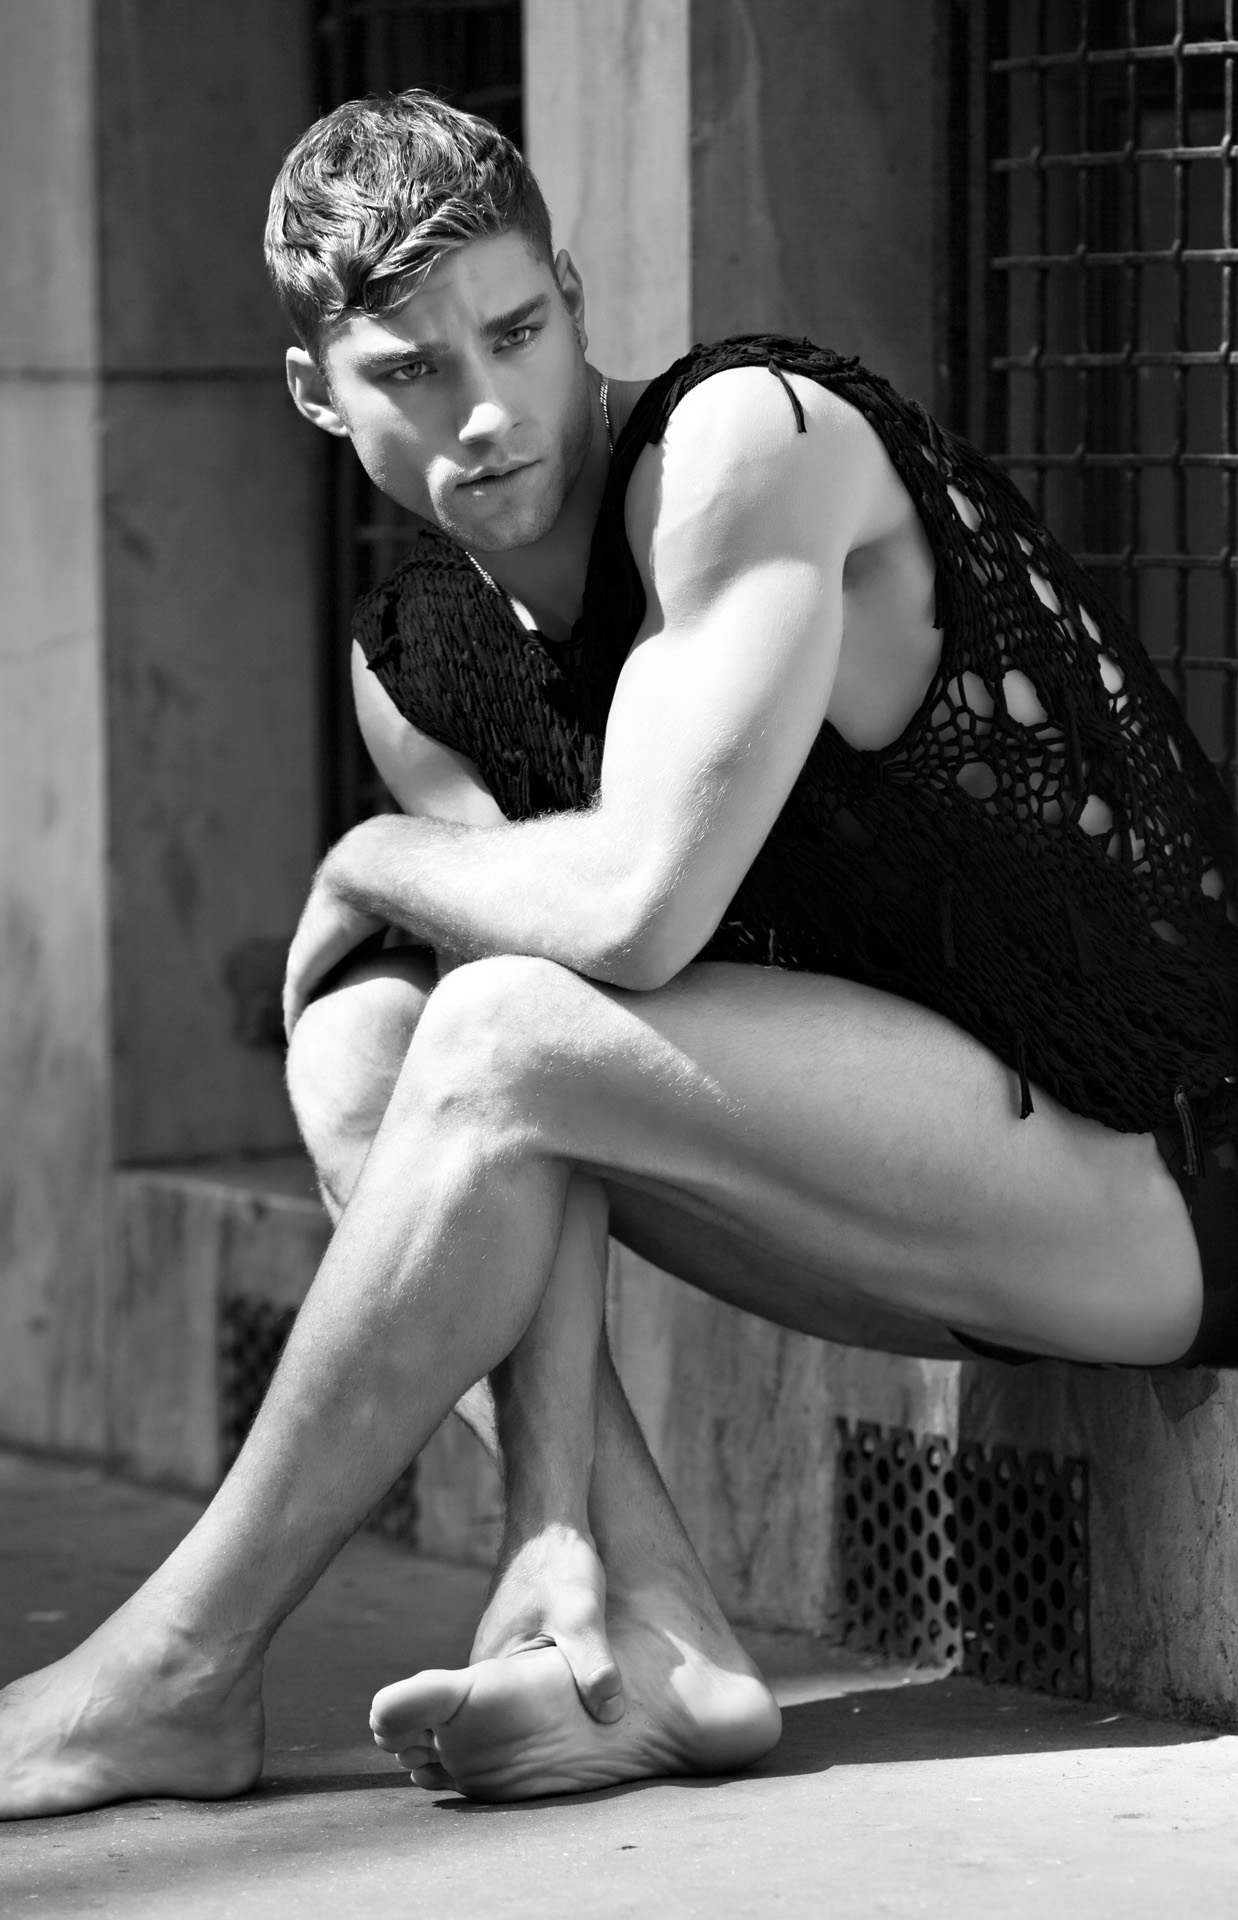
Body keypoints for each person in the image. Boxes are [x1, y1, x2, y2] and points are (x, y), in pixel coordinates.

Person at [2, 88, 1235, 1821]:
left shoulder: (746, 444)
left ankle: (177, 1667)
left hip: (1152, 1178)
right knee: (369, 1042)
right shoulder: (421, 659)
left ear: (573, 293)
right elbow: (538, 1073)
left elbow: (637, 912)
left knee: (500, 1022)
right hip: (876, 1207)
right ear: (316, 392)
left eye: (516, 331)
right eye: (411, 370)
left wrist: (369, 855)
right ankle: (640, 1619)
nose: (485, 410)